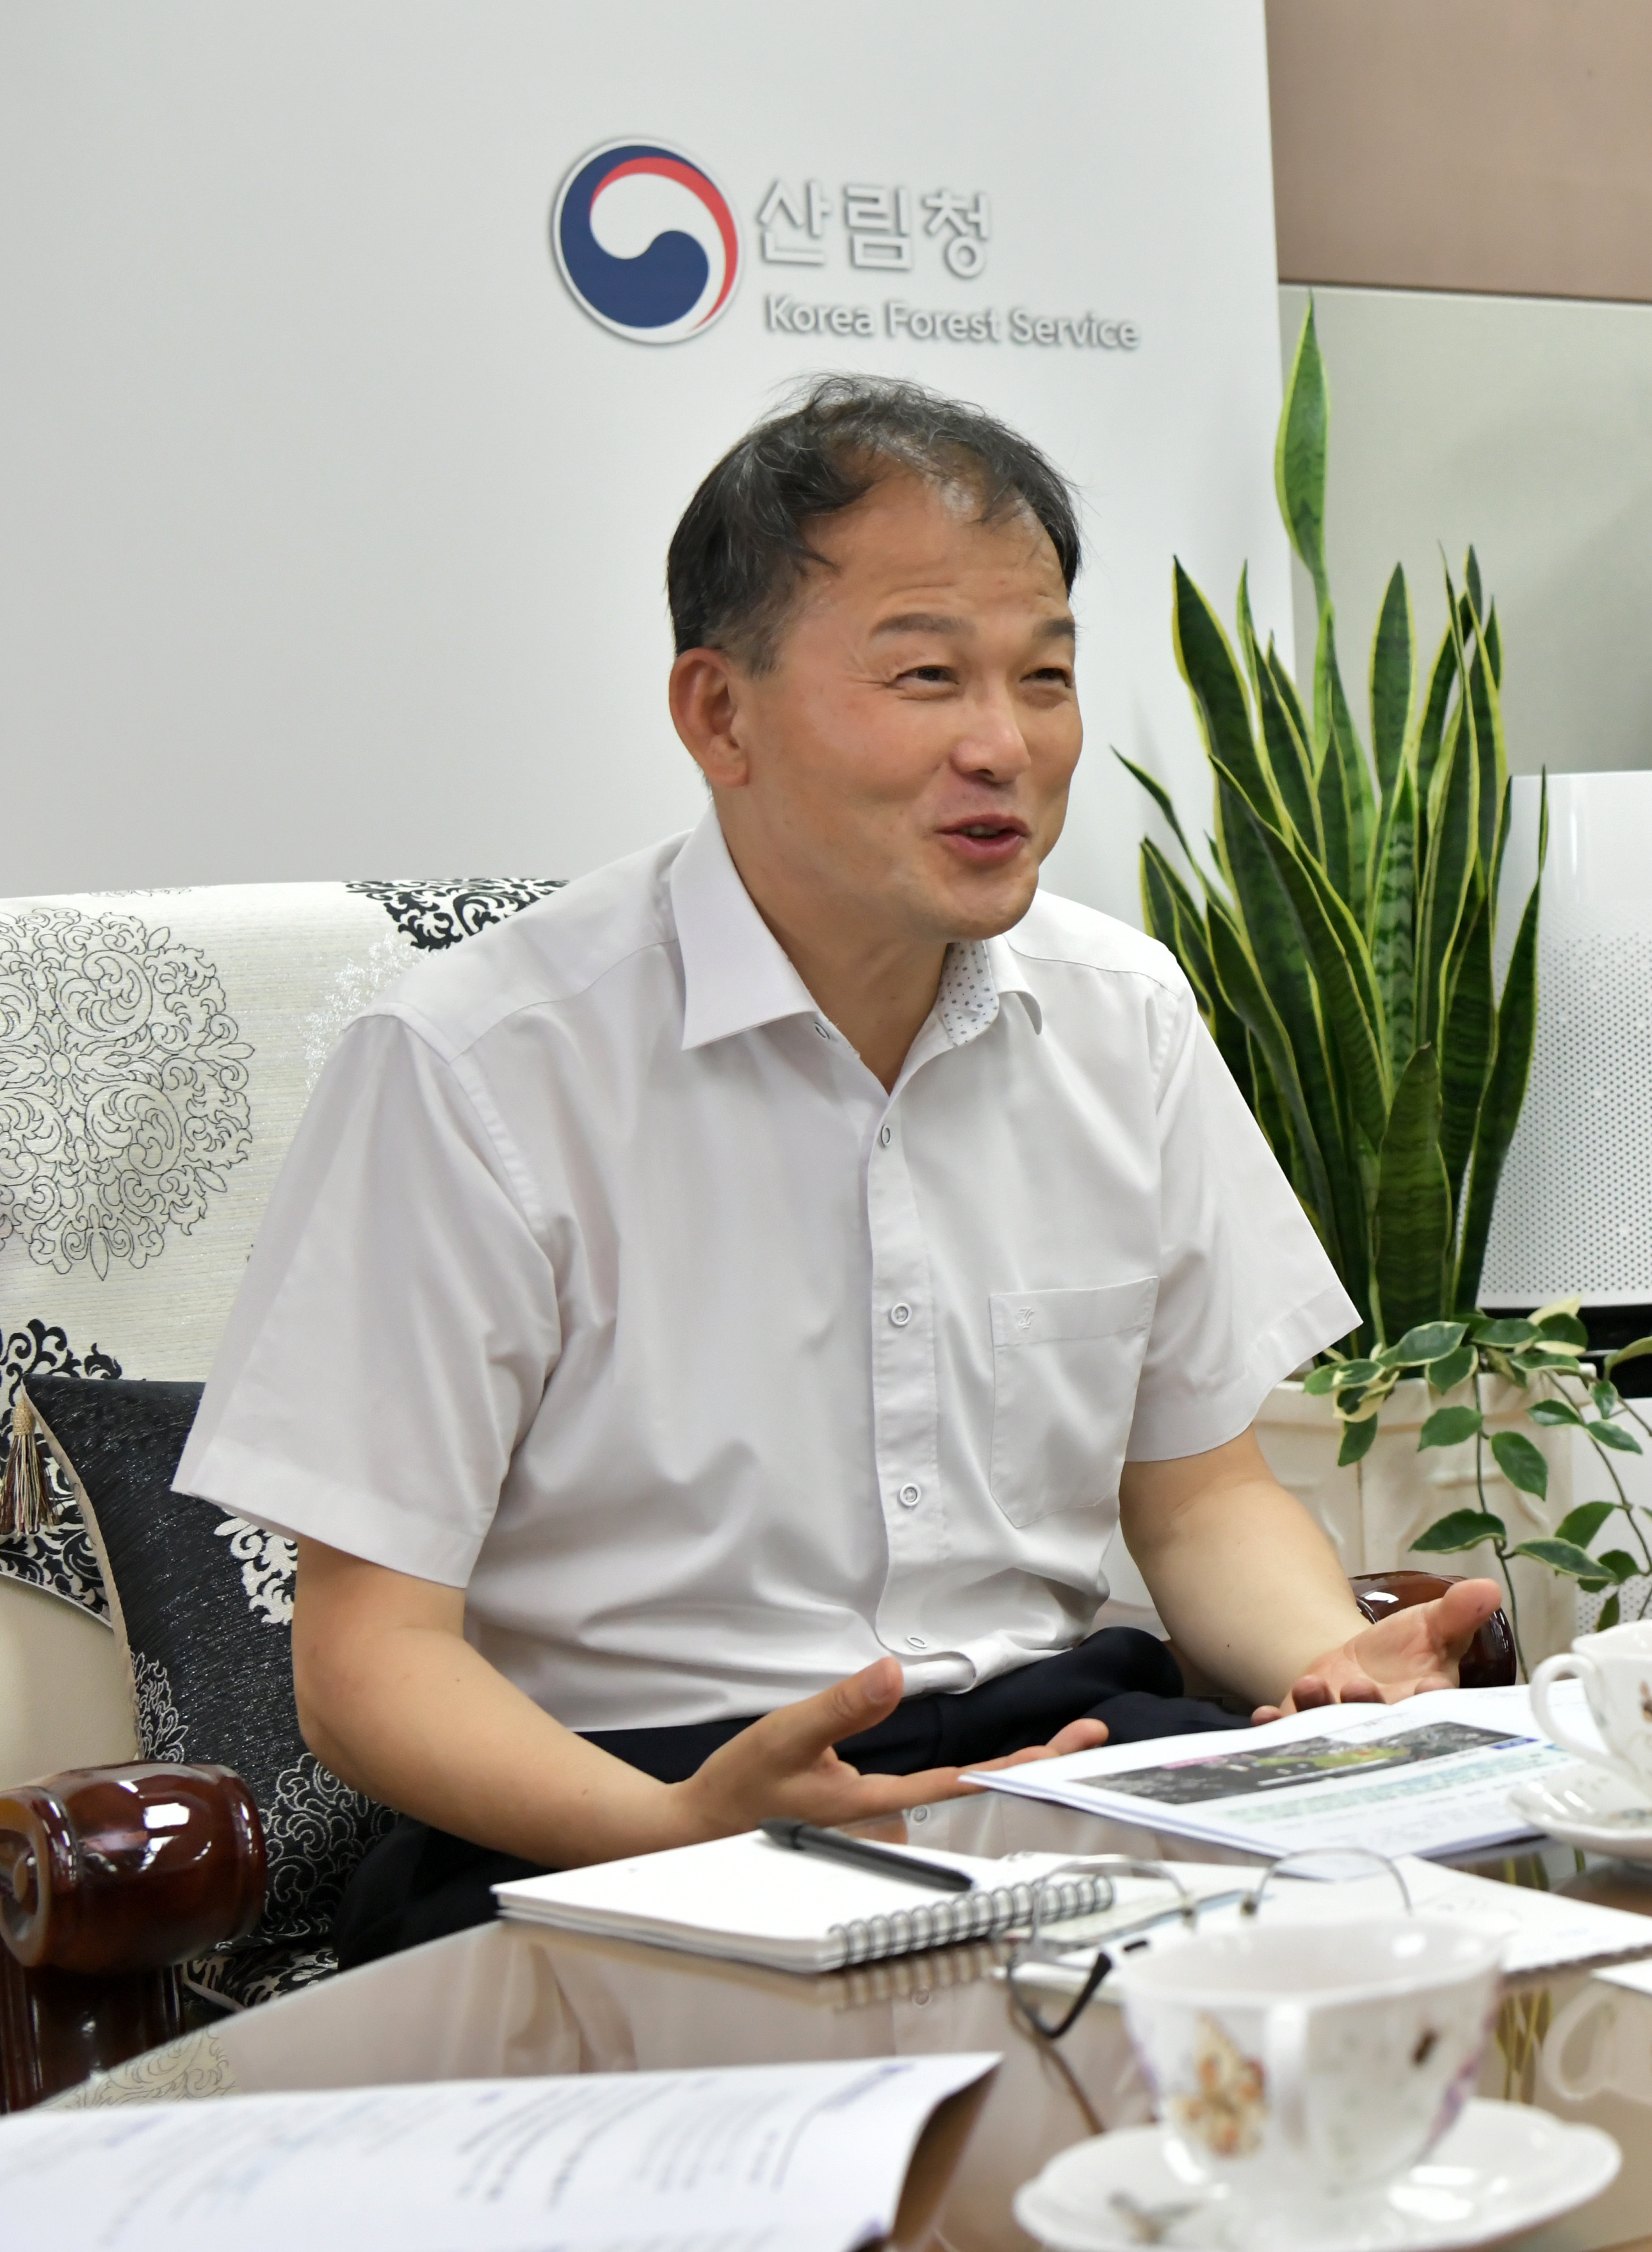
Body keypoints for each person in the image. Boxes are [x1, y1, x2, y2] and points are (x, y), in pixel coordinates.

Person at [179, 377, 1500, 1962]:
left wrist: (1328, 1678)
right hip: (625, 1816)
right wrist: (683, 1829)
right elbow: (371, 1661)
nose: (1004, 746)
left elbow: (1202, 1498)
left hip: (1072, 1769)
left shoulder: (1124, 1015)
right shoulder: (478, 1066)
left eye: (1047, 676)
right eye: (928, 677)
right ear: (717, 714)